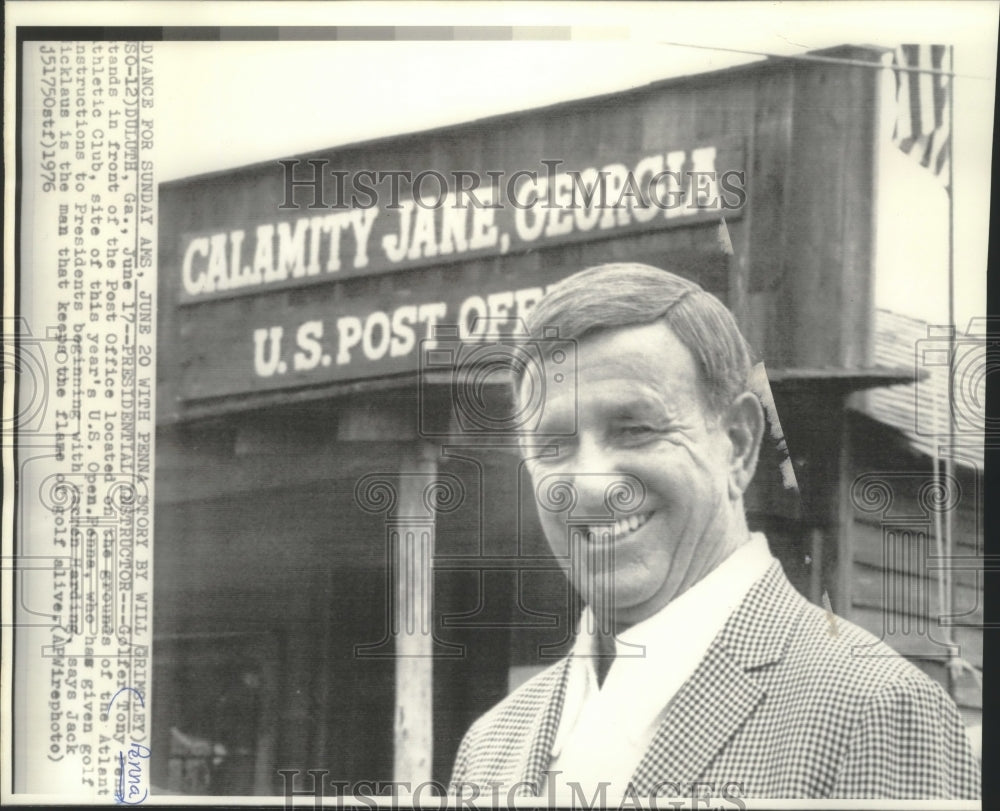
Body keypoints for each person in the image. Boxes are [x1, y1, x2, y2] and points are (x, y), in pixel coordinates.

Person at [449, 263, 980, 802]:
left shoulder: (877, 711)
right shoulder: (493, 743)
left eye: (635, 429)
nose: (588, 485)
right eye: (553, 445)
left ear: (739, 443)